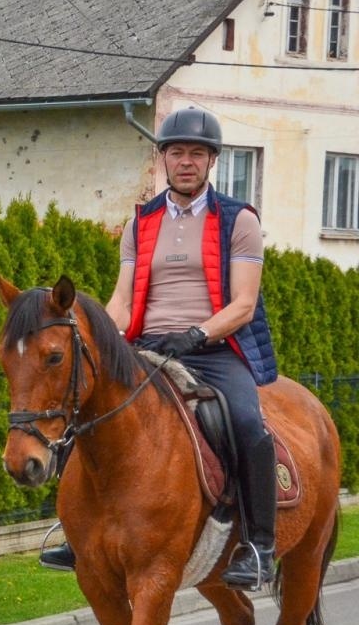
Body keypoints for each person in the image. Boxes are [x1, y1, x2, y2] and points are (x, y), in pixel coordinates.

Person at [38, 106, 277, 591]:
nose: (185, 161)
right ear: (163, 159)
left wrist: (197, 334)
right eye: (176, 152)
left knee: (249, 423)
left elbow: (244, 304)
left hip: (212, 348)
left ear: (211, 161)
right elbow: (122, 302)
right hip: (147, 347)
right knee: (79, 404)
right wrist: (99, 332)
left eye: (196, 153)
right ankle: (73, 530)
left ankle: (259, 545)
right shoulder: (139, 223)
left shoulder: (239, 220)